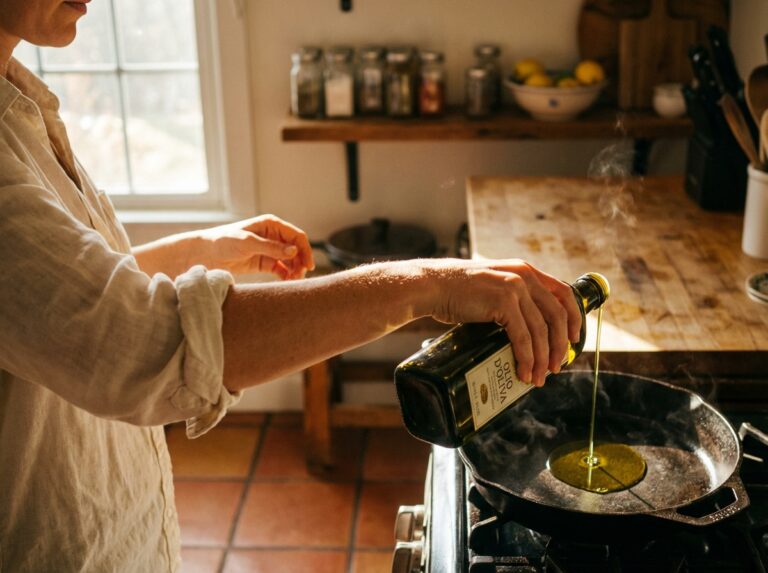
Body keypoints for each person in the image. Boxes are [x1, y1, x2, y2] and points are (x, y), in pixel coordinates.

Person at [0, 1, 582, 571]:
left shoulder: (19, 102)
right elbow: (132, 344)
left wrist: (203, 249)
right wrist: (424, 285)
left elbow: (74, 294)